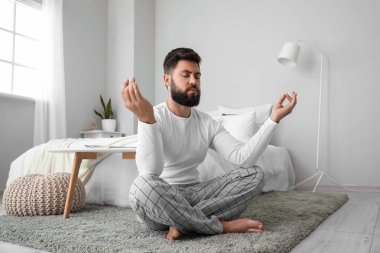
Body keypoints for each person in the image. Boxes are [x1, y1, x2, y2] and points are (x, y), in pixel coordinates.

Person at [121, 47, 297, 240]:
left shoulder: (207, 123)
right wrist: (147, 121)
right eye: (186, 75)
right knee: (141, 186)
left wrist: (272, 120)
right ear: (167, 80)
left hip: (195, 192)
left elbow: (242, 159)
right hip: (162, 197)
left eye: (197, 76)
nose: (193, 81)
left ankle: (183, 222)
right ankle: (220, 226)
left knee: (255, 174)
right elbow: (150, 172)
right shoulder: (154, 116)